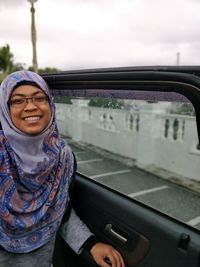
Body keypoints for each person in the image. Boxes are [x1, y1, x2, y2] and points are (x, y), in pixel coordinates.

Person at [0, 71, 125, 267]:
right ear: (5, 110)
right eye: (18, 101)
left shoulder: (62, 156)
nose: (31, 106)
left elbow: (59, 210)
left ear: (50, 103)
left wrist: (90, 244)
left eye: (40, 98)